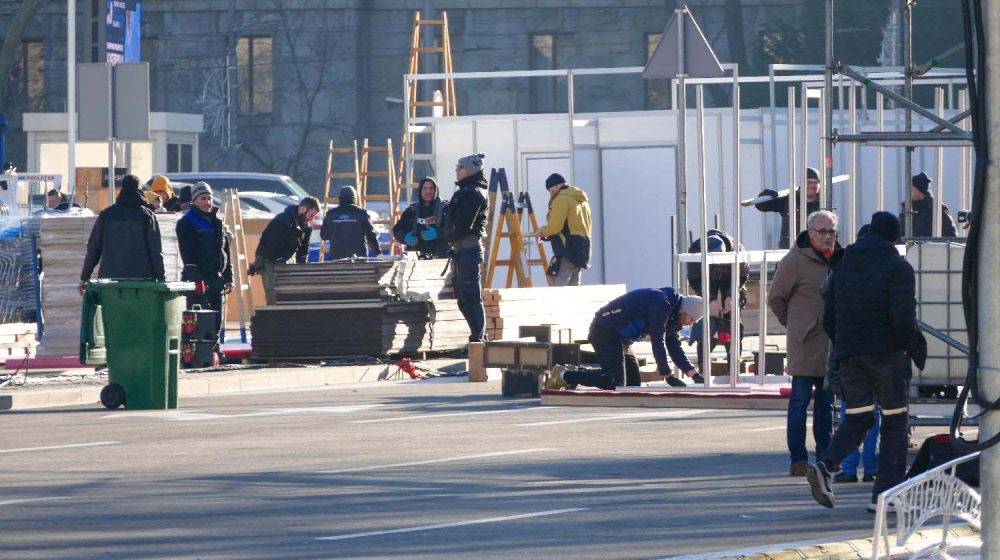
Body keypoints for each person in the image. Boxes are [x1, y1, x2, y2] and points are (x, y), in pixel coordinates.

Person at [807, 211, 923, 512]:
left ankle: (826, 465)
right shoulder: (898, 267)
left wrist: (846, 344)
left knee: (858, 418)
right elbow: (902, 317)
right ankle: (886, 496)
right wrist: (914, 344)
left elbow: (829, 318)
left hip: (849, 356)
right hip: (886, 356)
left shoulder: (844, 265)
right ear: (894, 238)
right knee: (895, 422)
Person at [768, 210, 841, 477]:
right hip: (804, 342)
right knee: (799, 402)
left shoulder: (840, 258)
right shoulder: (794, 260)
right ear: (810, 233)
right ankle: (798, 459)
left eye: (832, 231)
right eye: (822, 231)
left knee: (825, 405)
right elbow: (776, 298)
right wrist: (795, 324)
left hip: (831, 343)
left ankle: (825, 457)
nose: (828, 237)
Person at [558, 287, 704, 390]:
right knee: (614, 382)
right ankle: (563, 375)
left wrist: (693, 374)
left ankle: (577, 372)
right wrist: (666, 374)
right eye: (691, 319)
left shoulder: (674, 316)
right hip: (605, 330)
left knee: (633, 384)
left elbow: (673, 345)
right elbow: (658, 339)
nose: (690, 324)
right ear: (684, 311)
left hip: (622, 339)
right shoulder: (661, 303)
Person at [78, 174, 165, 295]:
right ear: (139, 189)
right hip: (143, 280)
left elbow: (93, 249)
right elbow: (155, 250)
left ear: (122, 189)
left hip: (110, 280)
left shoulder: (106, 215)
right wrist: (161, 279)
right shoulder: (147, 216)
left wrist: (84, 277)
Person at [176, 182, 233, 343]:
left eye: (209, 198)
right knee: (198, 323)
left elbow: (225, 252)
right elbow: (188, 255)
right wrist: (197, 280)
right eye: (203, 198)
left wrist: (228, 277)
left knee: (216, 322)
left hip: (216, 279)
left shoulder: (217, 222)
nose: (208, 202)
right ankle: (198, 351)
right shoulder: (187, 222)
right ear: (194, 200)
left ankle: (212, 349)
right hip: (199, 281)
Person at [685, 229, 750, 365]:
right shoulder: (695, 252)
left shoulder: (738, 252)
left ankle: (733, 363)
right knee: (708, 322)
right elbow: (695, 280)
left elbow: (742, 276)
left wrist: (731, 295)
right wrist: (710, 299)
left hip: (730, 277)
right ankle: (703, 364)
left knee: (732, 321)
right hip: (706, 278)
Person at [445, 153, 489, 343]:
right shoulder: (467, 191)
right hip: (461, 250)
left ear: (470, 169)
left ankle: (479, 339)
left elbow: (463, 225)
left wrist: (445, 235)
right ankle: (477, 336)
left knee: (471, 296)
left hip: (469, 250)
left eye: (460, 167)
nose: (457, 169)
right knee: (463, 299)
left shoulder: (474, 192)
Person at [249, 196, 320, 305]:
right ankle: (274, 314)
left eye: (314, 217)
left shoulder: (306, 226)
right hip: (269, 259)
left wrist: (301, 268)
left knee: (289, 293)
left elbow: (303, 249)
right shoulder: (282, 220)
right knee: (274, 294)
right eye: (311, 216)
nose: (312, 219)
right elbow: (268, 244)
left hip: (286, 259)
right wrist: (259, 264)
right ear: (303, 209)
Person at [534, 173, 592, 286]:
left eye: (550, 190)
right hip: (582, 250)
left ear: (557, 186)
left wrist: (542, 232)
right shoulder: (581, 201)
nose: (551, 193)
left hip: (567, 251)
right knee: (573, 292)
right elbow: (571, 226)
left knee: (557, 291)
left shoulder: (561, 199)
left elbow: (555, 227)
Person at [754, 166, 822, 248]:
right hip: (789, 251)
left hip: (814, 253)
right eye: (809, 182)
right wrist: (765, 195)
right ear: (802, 183)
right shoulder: (789, 200)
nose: (812, 185)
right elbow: (761, 205)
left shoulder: (823, 206)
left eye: (816, 183)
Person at [393, 177, 450, 259]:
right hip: (416, 257)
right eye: (425, 188)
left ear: (436, 190)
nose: (428, 191)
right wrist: (404, 238)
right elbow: (397, 229)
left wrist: (438, 234)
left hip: (441, 256)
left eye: (431, 188)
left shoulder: (446, 208)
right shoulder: (412, 210)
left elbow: (455, 231)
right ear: (420, 191)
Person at [320, 186, 380, 260]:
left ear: (340, 198)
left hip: (337, 258)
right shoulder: (362, 213)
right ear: (354, 198)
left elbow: (324, 236)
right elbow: (371, 235)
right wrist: (378, 252)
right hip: (358, 259)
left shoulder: (330, 214)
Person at [900, 171, 957, 238]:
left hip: (930, 245)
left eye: (911, 188)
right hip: (908, 245)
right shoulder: (907, 209)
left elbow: (950, 235)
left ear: (918, 189)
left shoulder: (937, 209)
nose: (908, 191)